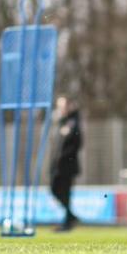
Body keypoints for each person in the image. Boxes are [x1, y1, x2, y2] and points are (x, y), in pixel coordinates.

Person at [50, 95, 82, 231]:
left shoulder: (73, 122)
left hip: (67, 166)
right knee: (55, 190)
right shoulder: (62, 122)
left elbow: (77, 143)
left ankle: (68, 222)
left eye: (62, 106)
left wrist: (64, 158)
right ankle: (70, 218)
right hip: (58, 165)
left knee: (65, 193)